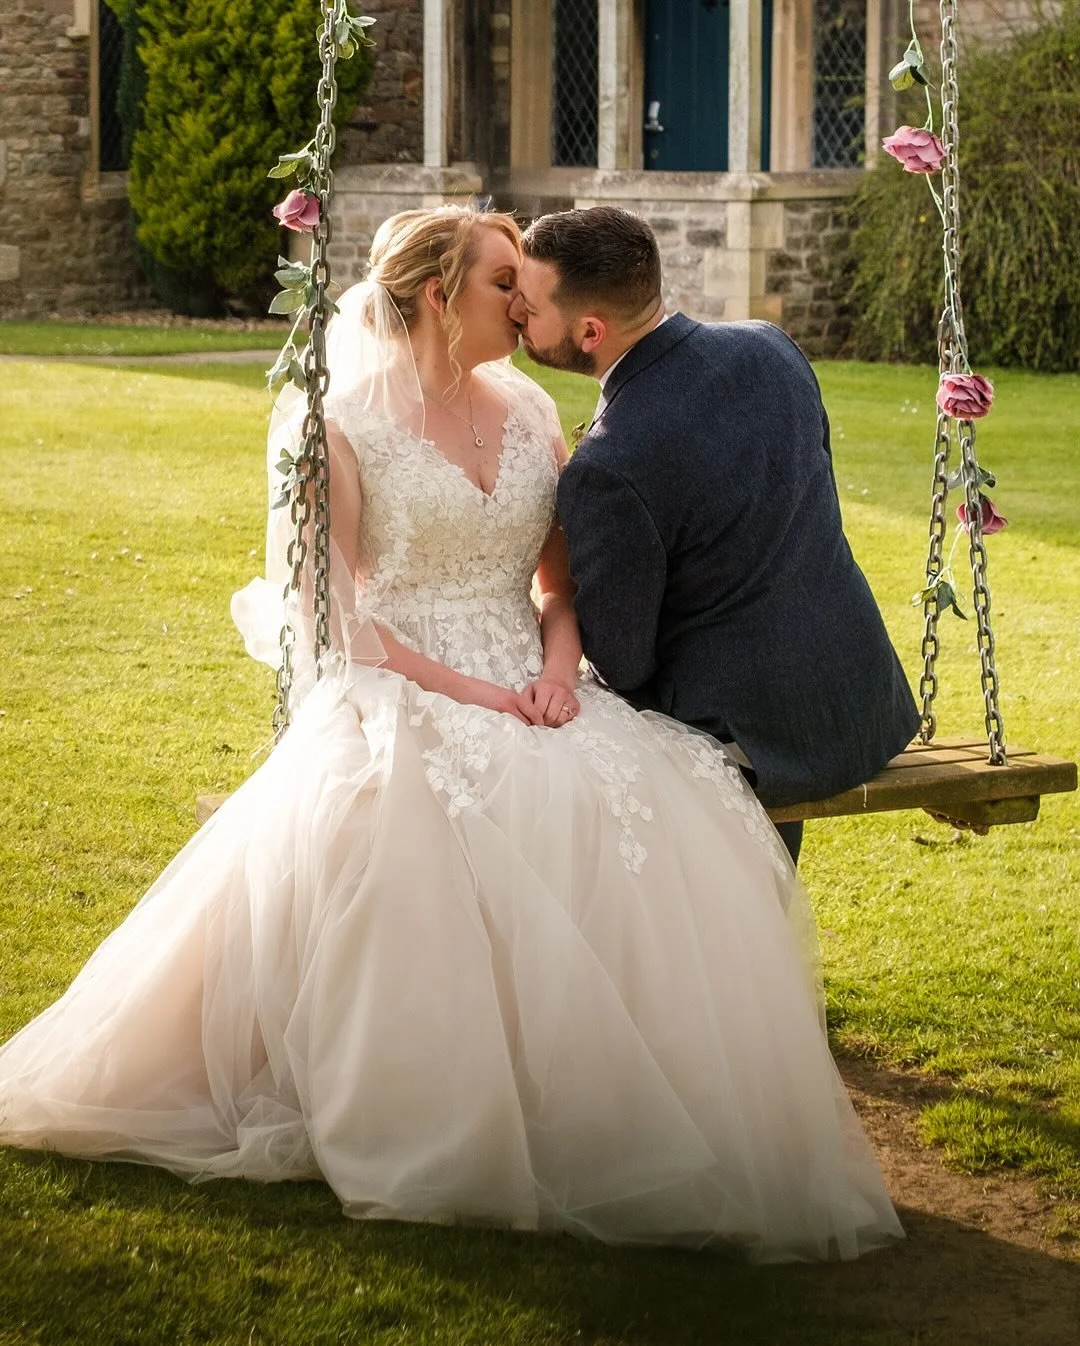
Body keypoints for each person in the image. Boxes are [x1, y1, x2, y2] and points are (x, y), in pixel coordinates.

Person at [0, 206, 902, 1263]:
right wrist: (474, 692)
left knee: (650, 804)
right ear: (440, 292)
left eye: (529, 285)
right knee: (424, 823)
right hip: (406, 678)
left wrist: (560, 671)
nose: (522, 306)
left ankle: (624, 1091)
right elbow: (339, 620)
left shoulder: (527, 412)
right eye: (502, 282)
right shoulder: (337, 423)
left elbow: (557, 580)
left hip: (530, 673)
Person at [513, 206, 920, 865]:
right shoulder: (771, 347)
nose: (516, 318)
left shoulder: (608, 466)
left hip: (756, 740)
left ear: (590, 330)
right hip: (860, 701)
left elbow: (623, 659)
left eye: (529, 309)